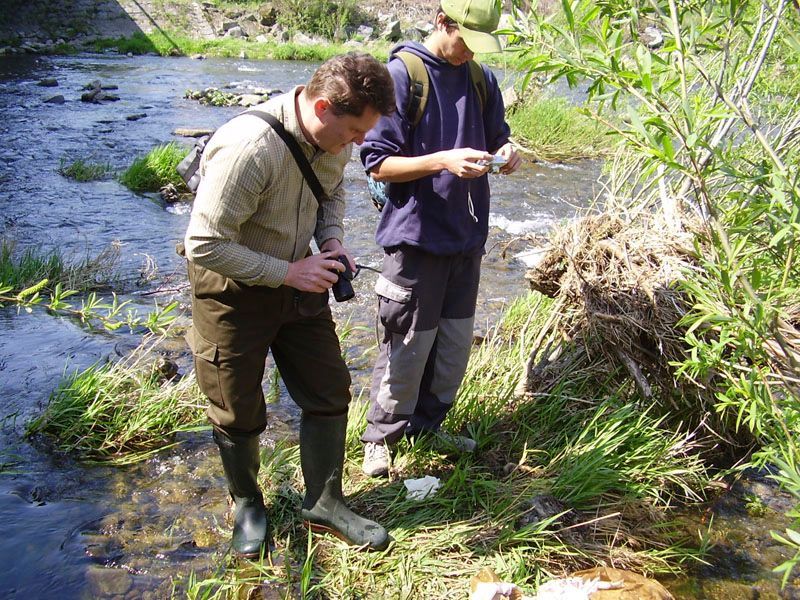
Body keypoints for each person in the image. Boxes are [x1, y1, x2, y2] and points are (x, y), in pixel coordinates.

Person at [183, 52, 396, 558]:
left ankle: (324, 502)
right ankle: (248, 502)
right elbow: (205, 243)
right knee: (237, 408)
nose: (361, 142)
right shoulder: (248, 149)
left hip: (298, 276)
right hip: (231, 288)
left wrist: (331, 239)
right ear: (322, 107)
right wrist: (290, 273)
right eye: (354, 131)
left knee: (328, 390)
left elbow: (333, 191)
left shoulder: (334, 137)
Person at [359, 0, 522, 477]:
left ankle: (427, 428)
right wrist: (443, 161)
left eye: (479, 46)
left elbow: (499, 137)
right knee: (406, 345)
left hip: (466, 240)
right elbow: (378, 163)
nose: (469, 53)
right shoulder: (402, 75)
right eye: (464, 41)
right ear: (442, 22)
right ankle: (381, 437)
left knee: (451, 347)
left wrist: (508, 152)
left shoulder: (480, 78)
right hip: (416, 240)